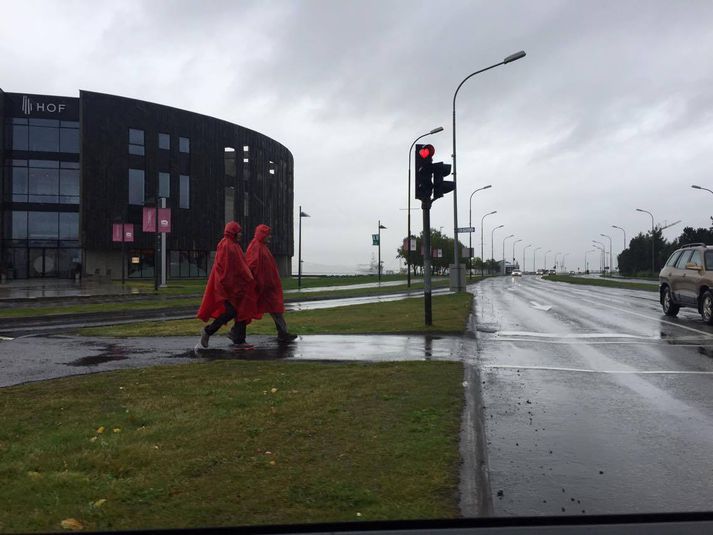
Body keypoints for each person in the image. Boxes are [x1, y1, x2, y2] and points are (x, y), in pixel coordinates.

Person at [195, 221, 255, 351]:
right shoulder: (227, 245)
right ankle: (208, 331)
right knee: (231, 312)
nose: (241, 234)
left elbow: (239, 266)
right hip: (228, 288)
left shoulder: (233, 245)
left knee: (240, 312)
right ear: (233, 232)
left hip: (235, 287)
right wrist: (232, 286)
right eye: (239, 231)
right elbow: (226, 269)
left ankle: (239, 339)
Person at [245, 224, 297, 342]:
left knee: (275, 310)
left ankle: (283, 332)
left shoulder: (261, 246)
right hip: (264, 287)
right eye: (268, 234)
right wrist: (260, 283)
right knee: (252, 308)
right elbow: (253, 265)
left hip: (268, 287)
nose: (270, 237)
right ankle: (236, 332)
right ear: (262, 235)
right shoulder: (257, 247)